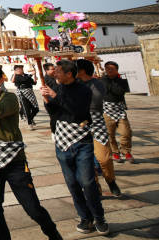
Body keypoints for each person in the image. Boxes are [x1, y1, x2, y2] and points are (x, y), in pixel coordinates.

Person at [0, 63, 61, 240]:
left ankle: (53, 233)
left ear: (2, 78)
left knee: (32, 207)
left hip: (14, 160)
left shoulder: (9, 98)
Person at [40, 60, 108, 234]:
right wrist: (47, 99)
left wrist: (55, 96)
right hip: (62, 140)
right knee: (72, 183)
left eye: (58, 72)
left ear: (69, 73)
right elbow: (55, 113)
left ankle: (99, 217)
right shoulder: (60, 89)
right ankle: (85, 218)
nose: (55, 74)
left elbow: (76, 111)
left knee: (87, 181)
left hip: (82, 140)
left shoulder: (83, 90)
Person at [75, 59, 121, 197]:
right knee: (86, 162)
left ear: (82, 70)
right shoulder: (73, 85)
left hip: (96, 122)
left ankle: (111, 180)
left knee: (104, 158)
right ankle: (95, 188)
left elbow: (95, 100)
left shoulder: (97, 84)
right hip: (78, 123)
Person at [101, 61, 134, 164]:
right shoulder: (102, 80)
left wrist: (110, 84)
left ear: (116, 70)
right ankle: (115, 152)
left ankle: (125, 150)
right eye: (107, 68)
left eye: (112, 69)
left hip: (119, 110)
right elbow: (104, 91)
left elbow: (119, 92)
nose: (109, 71)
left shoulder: (122, 82)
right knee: (109, 134)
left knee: (126, 132)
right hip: (106, 110)